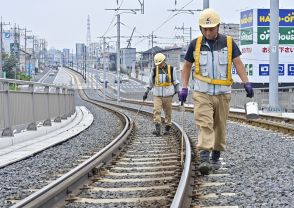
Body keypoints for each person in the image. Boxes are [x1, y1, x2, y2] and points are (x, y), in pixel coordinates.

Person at [178, 8, 254, 175]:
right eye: (204, 29)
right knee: (204, 123)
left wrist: (246, 82)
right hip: (202, 93)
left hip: (222, 93)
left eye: (211, 28)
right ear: (200, 29)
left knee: (220, 126)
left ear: (218, 27)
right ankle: (204, 158)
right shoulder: (195, 44)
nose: (208, 32)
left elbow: (238, 63)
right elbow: (186, 67)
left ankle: (215, 158)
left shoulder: (228, 43)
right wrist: (184, 87)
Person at [143, 53, 180, 136]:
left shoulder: (171, 69)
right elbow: (150, 83)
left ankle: (167, 128)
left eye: (160, 63)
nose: (158, 65)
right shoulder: (154, 70)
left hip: (168, 96)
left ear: (164, 61)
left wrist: (179, 92)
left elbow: (175, 82)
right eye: (157, 64)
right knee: (157, 110)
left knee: (168, 112)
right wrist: (146, 92)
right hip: (157, 95)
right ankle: (158, 129)